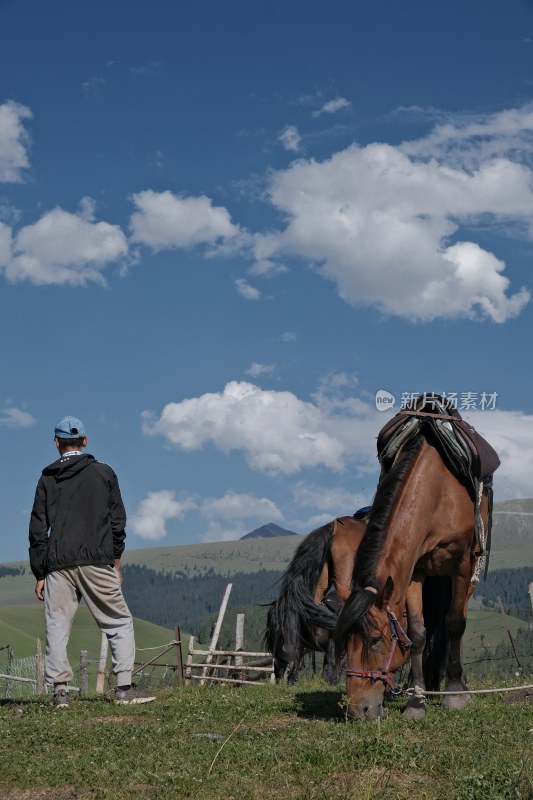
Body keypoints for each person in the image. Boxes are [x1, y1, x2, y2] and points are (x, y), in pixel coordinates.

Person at [29, 416, 156, 708]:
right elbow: (117, 521)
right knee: (118, 620)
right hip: (97, 560)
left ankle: (60, 692)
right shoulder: (104, 473)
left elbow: (38, 528)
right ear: (85, 441)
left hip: (58, 564)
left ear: (57, 443)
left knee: (57, 625)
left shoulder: (47, 478)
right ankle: (124, 688)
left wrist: (40, 572)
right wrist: (116, 559)